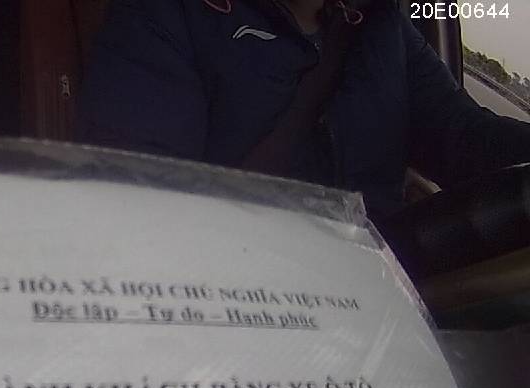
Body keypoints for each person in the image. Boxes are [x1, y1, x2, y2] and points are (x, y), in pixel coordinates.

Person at [75, 0, 530, 222]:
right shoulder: (169, 15)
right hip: (237, 303)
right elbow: (142, 209)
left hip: (387, 301)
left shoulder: (385, 28)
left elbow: (467, 137)